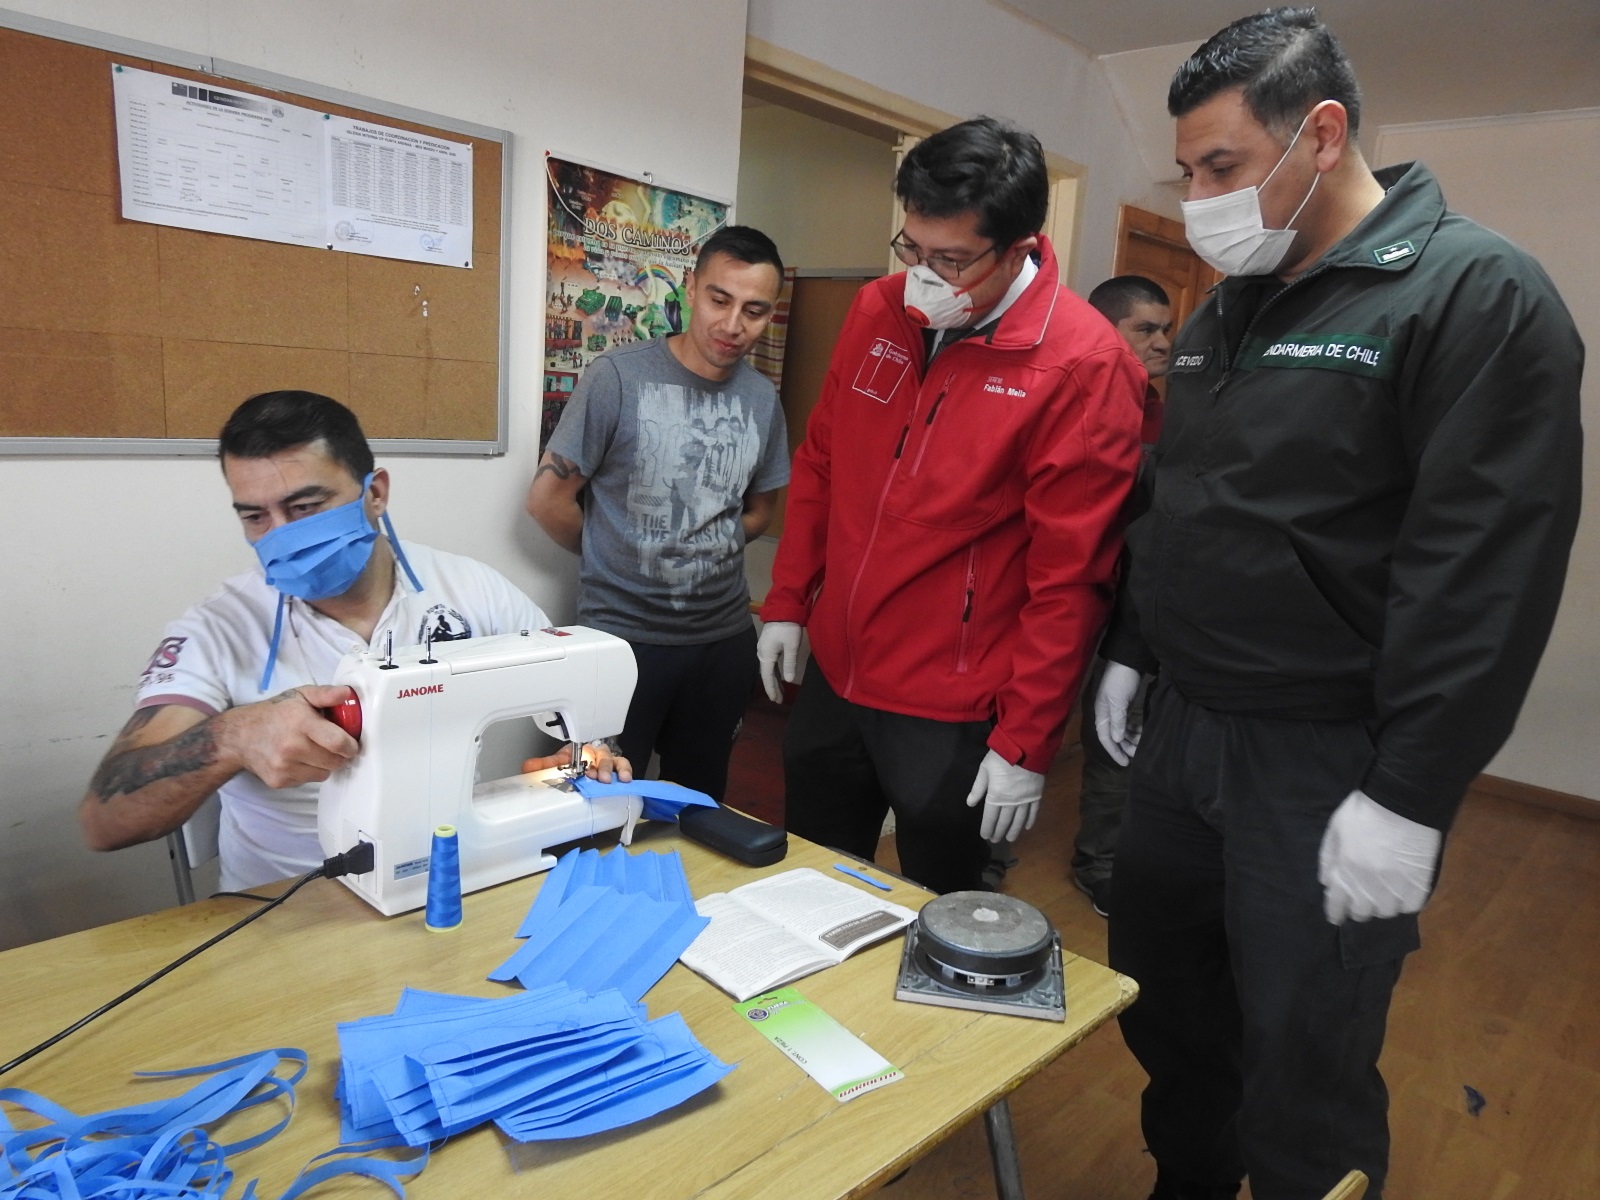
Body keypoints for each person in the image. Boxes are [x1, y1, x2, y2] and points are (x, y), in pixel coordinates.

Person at [1092, 10, 1583, 1199]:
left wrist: (1408, 795)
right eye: (1187, 171)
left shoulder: (1476, 294)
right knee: (1168, 1009)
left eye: (1221, 167)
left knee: (1306, 1051)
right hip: (1181, 735)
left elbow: (1484, 573)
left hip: (1324, 760)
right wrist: (1131, 648)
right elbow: (1184, 508)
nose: (1202, 196)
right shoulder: (1227, 311)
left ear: (1319, 135)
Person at [759, 117, 1146, 895]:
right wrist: (788, 602)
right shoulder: (879, 309)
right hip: (839, 670)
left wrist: (1027, 740)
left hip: (953, 701)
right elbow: (823, 465)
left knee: (941, 905)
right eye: (913, 248)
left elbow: (1069, 577)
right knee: (807, 883)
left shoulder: (1083, 365)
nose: (924, 277)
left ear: (1019, 246)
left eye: (953, 260)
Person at [80, 391, 628, 892]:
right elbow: (103, 821)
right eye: (255, 516)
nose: (282, 535)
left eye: (305, 507)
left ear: (376, 494)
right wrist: (230, 738)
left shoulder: (470, 591)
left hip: (445, 881)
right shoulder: (220, 630)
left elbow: (577, 708)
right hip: (285, 906)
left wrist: (589, 753)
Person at [527, 226, 789, 802]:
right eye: (720, 299)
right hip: (620, 642)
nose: (732, 325)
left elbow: (761, 510)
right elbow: (548, 501)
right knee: (594, 809)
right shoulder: (618, 377)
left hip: (722, 643)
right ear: (691, 289)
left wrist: (703, 545)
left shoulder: (761, 399)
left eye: (754, 310)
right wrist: (620, 550)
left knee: (697, 808)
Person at [1072, 275, 1175, 917]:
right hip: (1064, 596)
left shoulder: (1171, 416)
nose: (1164, 343)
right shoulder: (1069, 403)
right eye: (1147, 329)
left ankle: (1102, 861)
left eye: (1167, 328)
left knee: (1120, 731)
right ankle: (984, 855)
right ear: (1104, 331)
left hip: (1137, 608)